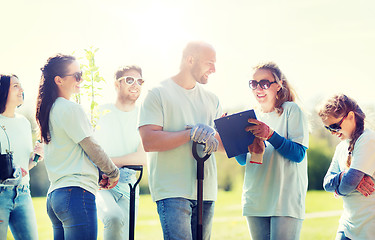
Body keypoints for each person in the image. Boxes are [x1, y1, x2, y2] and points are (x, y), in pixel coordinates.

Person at [138, 41, 224, 240]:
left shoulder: (212, 99)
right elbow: (149, 141)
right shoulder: (158, 93)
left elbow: (225, 146)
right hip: (172, 191)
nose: (214, 69)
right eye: (209, 63)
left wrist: (217, 138)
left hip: (207, 191)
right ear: (190, 60)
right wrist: (189, 134)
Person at [35, 54, 120, 240]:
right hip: (75, 195)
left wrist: (98, 174)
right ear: (59, 80)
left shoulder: (48, 111)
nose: (81, 79)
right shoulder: (70, 108)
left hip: (56, 196)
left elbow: (74, 153)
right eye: (77, 75)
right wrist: (113, 173)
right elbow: (92, 147)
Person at [235, 62, 309, 240]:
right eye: (254, 83)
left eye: (264, 83)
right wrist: (233, 138)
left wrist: (270, 135)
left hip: (284, 200)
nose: (258, 88)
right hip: (255, 199)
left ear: (278, 85)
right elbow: (243, 160)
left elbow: (298, 154)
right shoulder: (250, 116)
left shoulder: (291, 110)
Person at [95, 65, 147, 240]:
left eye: (140, 81)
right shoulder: (100, 112)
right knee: (113, 217)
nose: (136, 84)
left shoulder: (145, 116)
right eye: (129, 80)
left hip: (130, 185)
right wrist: (107, 169)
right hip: (100, 184)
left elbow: (142, 157)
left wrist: (107, 162)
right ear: (117, 84)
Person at [319, 94, 375, 240]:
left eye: (335, 126)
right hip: (348, 225)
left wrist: (340, 188)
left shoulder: (367, 139)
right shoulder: (340, 148)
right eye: (328, 128)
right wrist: (344, 175)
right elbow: (326, 183)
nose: (332, 132)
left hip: (369, 227)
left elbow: (350, 183)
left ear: (351, 116)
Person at [0, 74, 43, 240]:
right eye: (15, 86)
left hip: (24, 193)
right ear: (3, 91)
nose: (22, 90)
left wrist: (36, 158)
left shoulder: (24, 122)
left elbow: (25, 166)